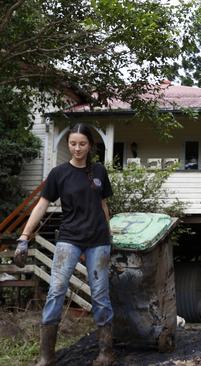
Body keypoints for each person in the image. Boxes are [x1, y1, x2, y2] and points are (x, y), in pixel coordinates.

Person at [14, 123, 115, 366]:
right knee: (56, 290)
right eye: (73, 143)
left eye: (82, 144)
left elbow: (103, 206)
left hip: (98, 241)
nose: (77, 148)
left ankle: (106, 353)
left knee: (100, 294)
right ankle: (47, 356)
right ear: (67, 144)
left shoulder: (99, 171)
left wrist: (110, 234)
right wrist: (24, 237)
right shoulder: (59, 173)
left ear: (90, 145)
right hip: (69, 238)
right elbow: (41, 205)